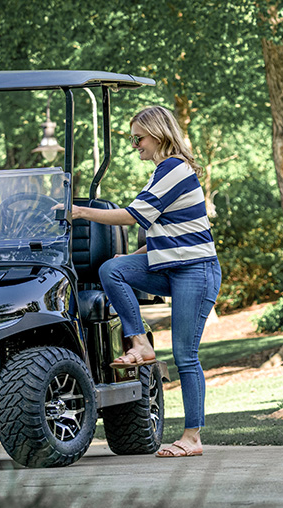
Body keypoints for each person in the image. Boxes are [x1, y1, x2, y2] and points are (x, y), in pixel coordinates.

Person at [69, 106, 222, 458]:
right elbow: (162, 229)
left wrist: (79, 211)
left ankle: (192, 438)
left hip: (195, 271)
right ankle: (140, 344)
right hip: (172, 267)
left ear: (158, 134)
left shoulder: (173, 168)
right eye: (131, 139)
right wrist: (132, 256)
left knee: (186, 355)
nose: (134, 144)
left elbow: (132, 215)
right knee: (113, 269)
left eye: (138, 138)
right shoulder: (161, 172)